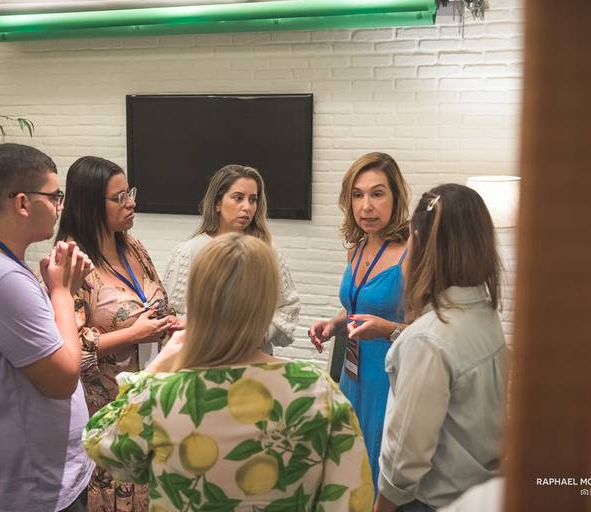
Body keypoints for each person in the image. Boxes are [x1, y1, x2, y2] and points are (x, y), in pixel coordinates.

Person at [84, 234, 373, 511]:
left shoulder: (163, 396)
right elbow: (351, 500)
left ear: (198, 301)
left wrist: (160, 365)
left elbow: (103, 446)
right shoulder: (318, 392)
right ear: (268, 302)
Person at [0, 143, 95, 512]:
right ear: (23, 203)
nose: (60, 207)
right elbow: (63, 380)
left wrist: (51, 288)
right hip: (33, 489)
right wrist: (62, 291)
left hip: (34, 478)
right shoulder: (1, 278)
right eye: (54, 197)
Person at [56, 156, 182, 511]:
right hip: (104, 414)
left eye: (130, 193)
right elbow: (68, 347)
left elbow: (157, 304)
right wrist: (132, 334)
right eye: (119, 197)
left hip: (146, 399)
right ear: (89, 204)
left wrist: (173, 323)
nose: (131, 203)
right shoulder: (71, 262)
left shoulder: (132, 246)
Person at [374, 184, 510, 512]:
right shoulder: (485, 314)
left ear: (420, 243)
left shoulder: (428, 339)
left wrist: (382, 505)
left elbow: (405, 458)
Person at [308, 152, 411, 492]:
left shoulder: (413, 251)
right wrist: (334, 325)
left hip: (390, 377)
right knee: (352, 463)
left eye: (377, 194)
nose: (366, 206)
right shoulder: (356, 247)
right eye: (357, 195)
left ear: (396, 198)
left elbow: (434, 329)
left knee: (381, 466)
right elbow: (357, 307)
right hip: (353, 374)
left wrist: (388, 330)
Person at [163, 164, 300, 354]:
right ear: (217, 203)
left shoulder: (268, 251)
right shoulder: (189, 251)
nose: (247, 207)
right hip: (204, 360)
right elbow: (171, 315)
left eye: (253, 200)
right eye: (238, 198)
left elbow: (288, 306)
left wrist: (262, 334)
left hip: (255, 359)